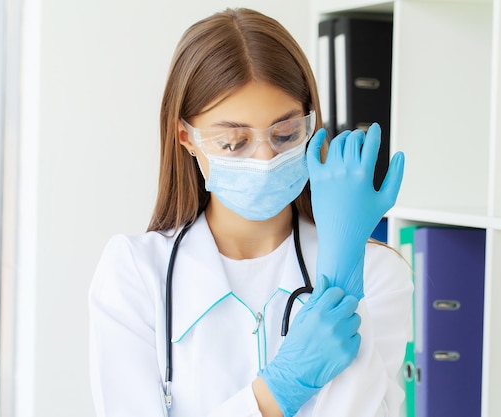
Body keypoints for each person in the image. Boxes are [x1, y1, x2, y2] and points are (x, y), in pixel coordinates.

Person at [89, 7, 412, 417]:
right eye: (232, 142)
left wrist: (341, 280)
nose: (264, 158)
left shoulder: (376, 272)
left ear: (311, 126)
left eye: (285, 134)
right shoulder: (135, 273)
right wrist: (279, 391)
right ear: (186, 137)